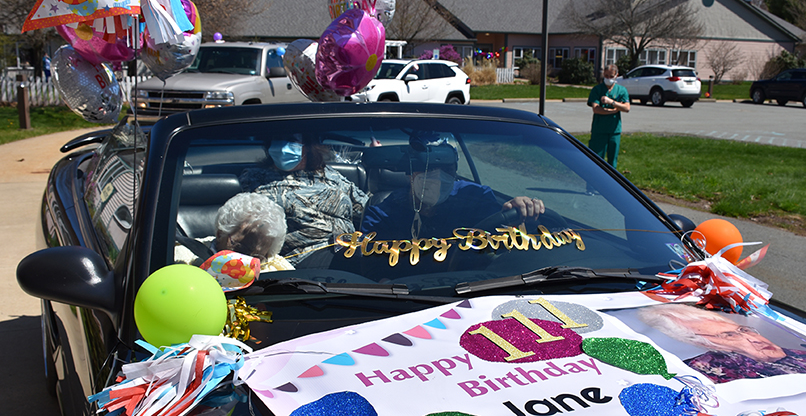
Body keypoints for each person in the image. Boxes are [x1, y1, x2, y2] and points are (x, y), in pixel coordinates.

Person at [361, 141, 544, 241]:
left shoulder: (476, 197)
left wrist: (519, 213)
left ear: (456, 170)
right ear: (410, 173)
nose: (438, 178)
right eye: (429, 168)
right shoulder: (381, 214)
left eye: (447, 169)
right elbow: (374, 269)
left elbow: (500, 236)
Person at [239, 136, 369, 266]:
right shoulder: (256, 180)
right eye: (277, 139)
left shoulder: (328, 174)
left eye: (292, 141)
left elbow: (366, 207)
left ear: (308, 146)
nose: (283, 147)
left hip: (348, 247)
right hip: (304, 257)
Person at [637, 303, 806, 384]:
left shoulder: (798, 355)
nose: (753, 338)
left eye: (743, 330)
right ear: (709, 346)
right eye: (729, 336)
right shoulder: (709, 373)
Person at [174, 193, 293, 272]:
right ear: (220, 234)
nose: (245, 261)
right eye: (241, 249)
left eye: (257, 258)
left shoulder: (278, 268)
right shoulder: (183, 259)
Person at [587, 64, 630, 168]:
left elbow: (627, 108)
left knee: (612, 162)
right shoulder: (597, 90)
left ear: (616, 75)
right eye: (606, 76)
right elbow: (596, 109)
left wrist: (612, 102)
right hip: (599, 131)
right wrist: (613, 111)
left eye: (611, 76)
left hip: (614, 131)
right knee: (595, 160)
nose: (608, 79)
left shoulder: (621, 90)